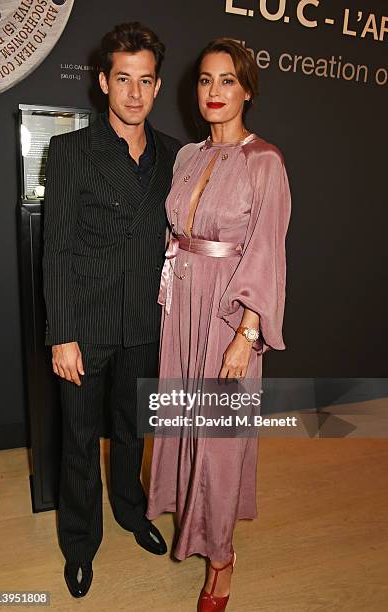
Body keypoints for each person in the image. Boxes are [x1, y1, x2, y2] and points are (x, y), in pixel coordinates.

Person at [146, 38, 291, 611]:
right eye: (205, 80)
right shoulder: (187, 156)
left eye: (227, 80)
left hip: (229, 314)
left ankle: (223, 561)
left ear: (247, 90)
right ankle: (193, 527)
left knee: (220, 441)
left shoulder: (266, 163)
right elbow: (177, 233)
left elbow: (268, 253)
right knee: (185, 425)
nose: (213, 92)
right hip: (181, 307)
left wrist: (247, 333)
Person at [42, 22, 181, 598]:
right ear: (103, 82)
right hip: (87, 324)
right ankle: (79, 543)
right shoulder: (71, 149)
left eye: (144, 81)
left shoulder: (176, 154)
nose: (133, 93)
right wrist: (63, 333)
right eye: (122, 79)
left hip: (143, 326)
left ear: (156, 85)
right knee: (77, 440)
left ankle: (130, 510)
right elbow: (59, 245)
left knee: (131, 432)